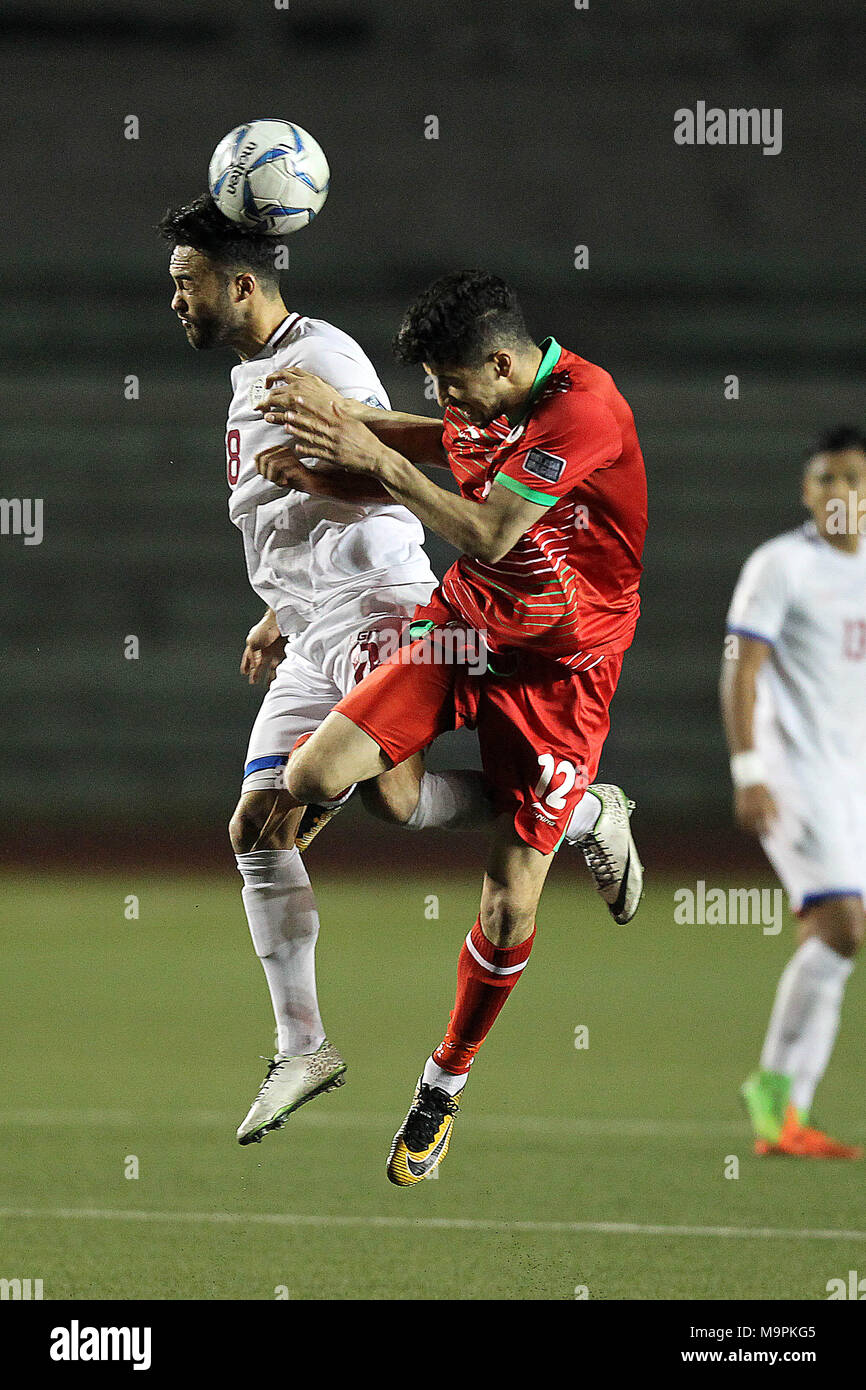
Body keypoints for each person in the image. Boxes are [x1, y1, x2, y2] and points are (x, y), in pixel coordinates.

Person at [258, 270, 647, 1182]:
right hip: (462, 629)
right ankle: (580, 812)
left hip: (562, 670)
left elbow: (489, 530)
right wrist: (343, 437)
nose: (442, 396)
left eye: (448, 378)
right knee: (320, 779)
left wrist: (375, 454)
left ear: (503, 363)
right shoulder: (494, 391)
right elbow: (441, 436)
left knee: (509, 902)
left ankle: (442, 1087)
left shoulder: (586, 411)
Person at [722, 426, 866, 1159]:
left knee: (831, 938)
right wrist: (750, 772)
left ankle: (783, 1108)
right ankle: (779, 1099)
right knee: (844, 925)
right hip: (794, 775)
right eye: (826, 480)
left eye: (852, 479)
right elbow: (742, 669)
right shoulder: (781, 565)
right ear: (808, 492)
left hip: (855, 781)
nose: (839, 493)